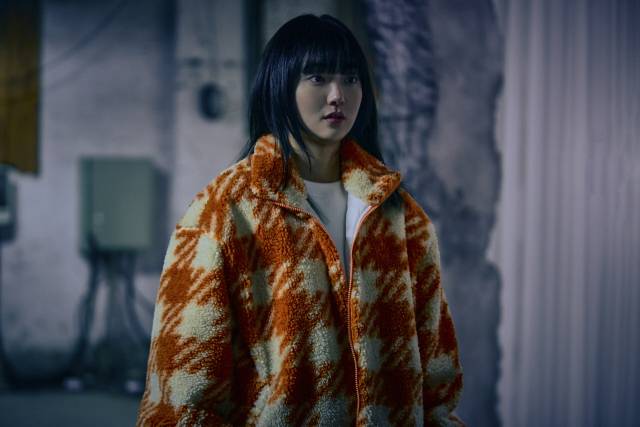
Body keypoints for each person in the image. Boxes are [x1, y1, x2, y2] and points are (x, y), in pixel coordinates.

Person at [136, 13, 464, 427]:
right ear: (281, 85)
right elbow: (182, 391)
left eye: (350, 78)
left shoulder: (399, 216)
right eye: (318, 78)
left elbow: (436, 378)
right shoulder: (224, 212)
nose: (337, 95)